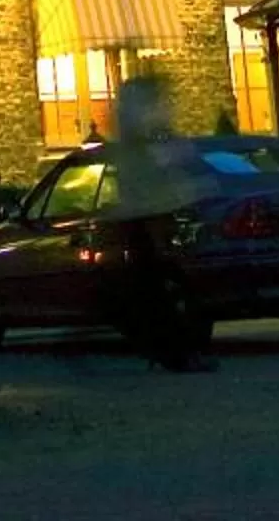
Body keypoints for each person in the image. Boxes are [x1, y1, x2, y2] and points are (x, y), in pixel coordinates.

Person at [97, 71, 215, 372]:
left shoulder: (133, 132)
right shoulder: (141, 134)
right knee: (159, 282)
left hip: (144, 213)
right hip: (147, 214)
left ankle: (163, 348)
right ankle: (172, 350)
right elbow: (159, 163)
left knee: (155, 282)